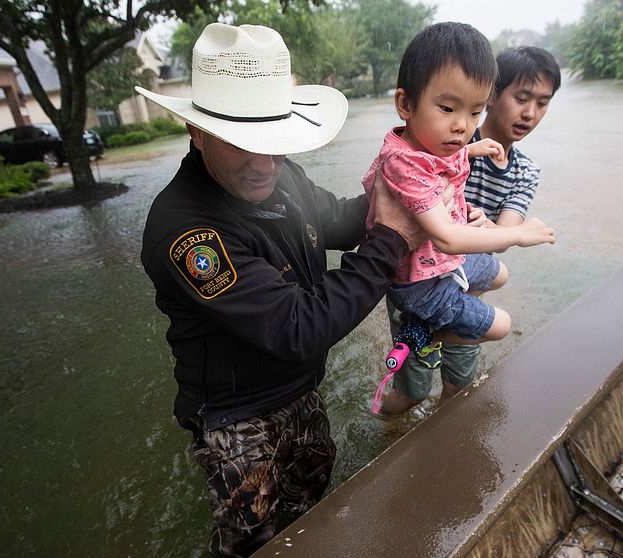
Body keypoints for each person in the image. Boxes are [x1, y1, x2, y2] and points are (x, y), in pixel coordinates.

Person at [136, 23, 420, 557]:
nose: (264, 162)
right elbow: (297, 326)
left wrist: (409, 186)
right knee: (252, 539)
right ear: (196, 132)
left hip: (299, 387)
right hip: (236, 414)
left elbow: (336, 219)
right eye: (242, 143)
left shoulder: (276, 171)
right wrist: (391, 243)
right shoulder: (187, 232)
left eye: (274, 140)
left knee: (311, 497)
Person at [362, 22, 555, 392]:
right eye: (449, 108)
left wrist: (471, 149)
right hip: (422, 277)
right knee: (493, 332)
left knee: (500, 275)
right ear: (405, 103)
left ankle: (435, 332)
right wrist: (518, 233)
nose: (462, 127)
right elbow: (449, 236)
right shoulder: (413, 157)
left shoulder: (455, 144)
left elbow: (433, 158)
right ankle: (421, 332)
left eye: (474, 113)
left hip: (445, 266)